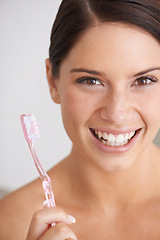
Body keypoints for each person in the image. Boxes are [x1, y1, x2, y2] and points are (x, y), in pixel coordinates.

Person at [1, 0, 160, 239]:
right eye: (90, 81)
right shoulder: (10, 223)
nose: (116, 114)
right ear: (53, 81)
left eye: (144, 80)